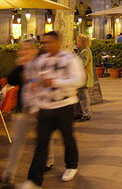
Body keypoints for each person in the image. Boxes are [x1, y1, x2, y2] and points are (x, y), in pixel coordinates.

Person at [21, 32, 85, 189]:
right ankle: (34, 180)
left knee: (67, 138)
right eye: (43, 43)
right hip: (45, 107)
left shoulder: (70, 59)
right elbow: (33, 83)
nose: (44, 46)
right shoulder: (40, 61)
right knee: (41, 143)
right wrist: (34, 104)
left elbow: (79, 80)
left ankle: (72, 165)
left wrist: (55, 82)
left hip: (65, 105)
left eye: (48, 42)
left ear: (58, 43)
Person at [1, 41, 55, 188]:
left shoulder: (40, 64)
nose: (26, 52)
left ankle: (49, 161)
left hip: (40, 109)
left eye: (29, 49)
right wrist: (20, 66)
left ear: (34, 51)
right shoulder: (21, 66)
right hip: (24, 109)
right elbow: (11, 80)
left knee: (44, 138)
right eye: (23, 50)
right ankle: (9, 174)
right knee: (17, 141)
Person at [76, 34, 94, 122]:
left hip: (84, 78)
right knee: (82, 95)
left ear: (83, 42)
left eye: (79, 41)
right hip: (82, 77)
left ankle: (86, 113)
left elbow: (83, 63)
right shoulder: (83, 50)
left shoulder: (85, 51)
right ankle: (83, 112)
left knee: (83, 96)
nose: (77, 43)